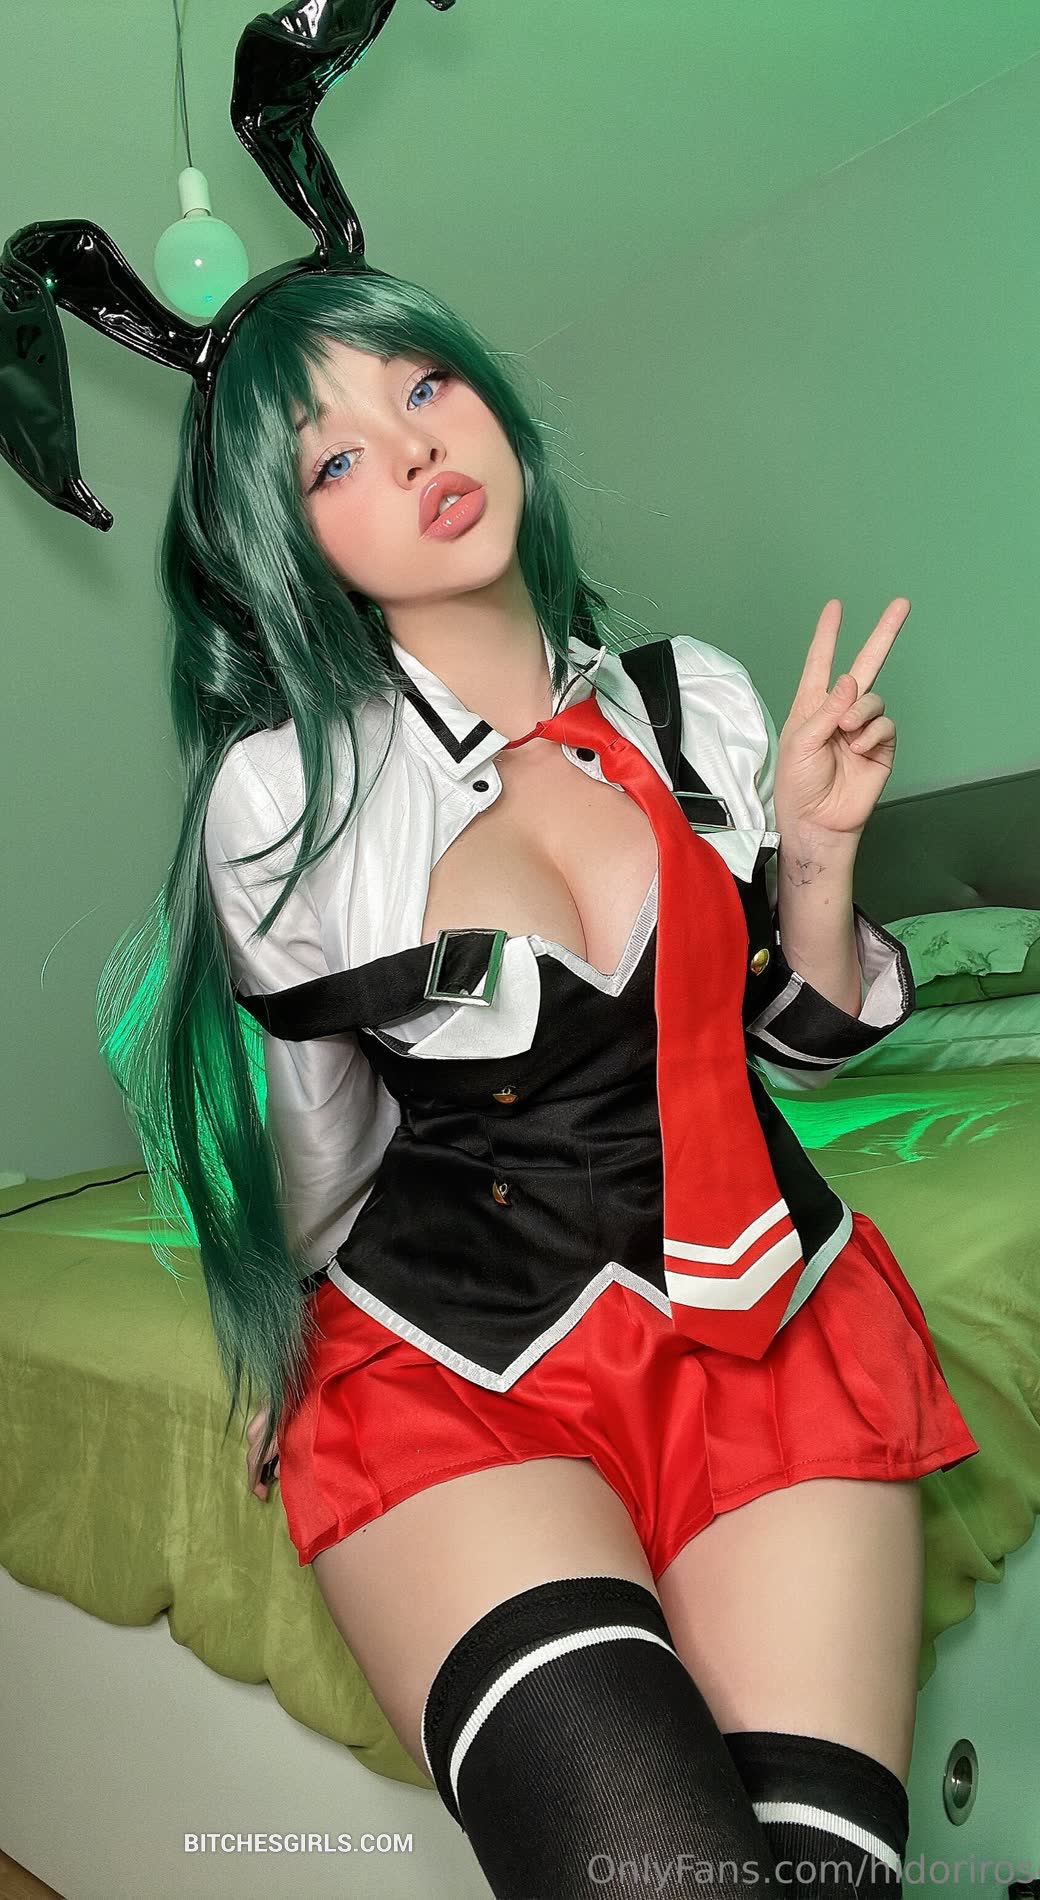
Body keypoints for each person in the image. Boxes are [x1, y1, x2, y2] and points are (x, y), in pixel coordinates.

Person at [93, 265, 975, 1897]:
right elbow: (318, 1142)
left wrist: (818, 855)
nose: (411, 448)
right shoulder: (289, 796)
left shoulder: (695, 703)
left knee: (829, 1878)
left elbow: (789, 1049)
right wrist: (283, 1332)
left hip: (772, 1324)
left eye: (421, 385)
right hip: (456, 1359)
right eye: (333, 458)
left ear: (486, 397)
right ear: (293, 544)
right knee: (658, 1870)